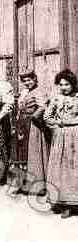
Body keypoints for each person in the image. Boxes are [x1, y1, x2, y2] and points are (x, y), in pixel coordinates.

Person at [44, 69, 78, 219]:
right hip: (60, 136)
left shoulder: (77, 98)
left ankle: (72, 203)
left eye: (67, 84)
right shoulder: (56, 99)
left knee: (72, 168)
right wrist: (58, 124)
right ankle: (61, 202)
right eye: (61, 84)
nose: (64, 87)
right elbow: (47, 117)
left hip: (75, 136)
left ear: (73, 85)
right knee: (59, 168)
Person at [15, 70, 50, 195]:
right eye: (24, 81)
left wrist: (33, 117)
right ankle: (24, 184)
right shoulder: (26, 92)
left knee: (33, 154)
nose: (27, 83)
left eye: (29, 80)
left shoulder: (39, 91)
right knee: (22, 154)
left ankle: (37, 186)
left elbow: (43, 106)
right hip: (23, 124)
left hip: (33, 126)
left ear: (35, 79)